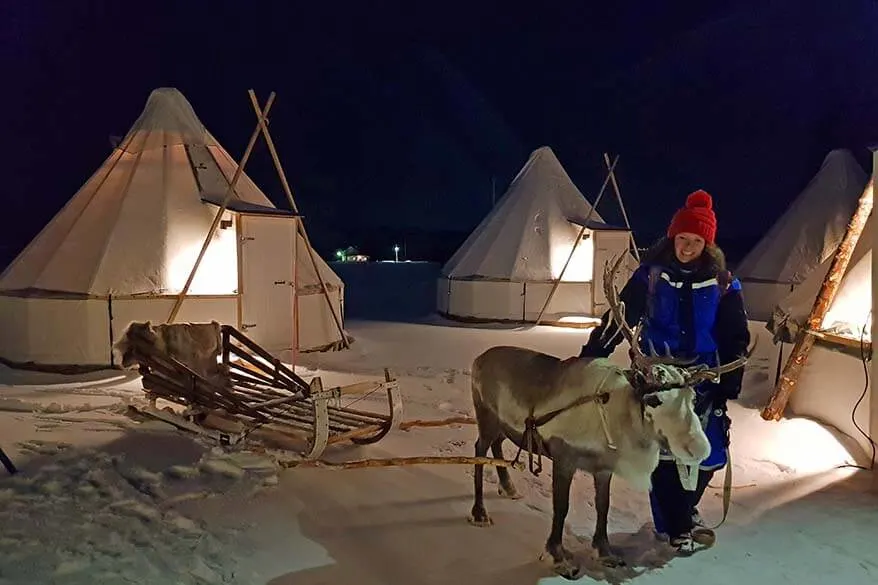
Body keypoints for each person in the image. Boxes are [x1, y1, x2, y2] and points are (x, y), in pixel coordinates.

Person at [578, 189, 751, 554]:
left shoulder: (722, 283)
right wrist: (593, 354)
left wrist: (730, 378)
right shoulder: (650, 277)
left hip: (703, 377)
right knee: (664, 454)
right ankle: (674, 525)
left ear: (708, 243)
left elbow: (735, 333)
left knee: (709, 454)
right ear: (672, 237)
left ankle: (684, 512)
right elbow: (620, 317)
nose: (687, 247)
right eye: (682, 239)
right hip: (659, 377)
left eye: (696, 240)